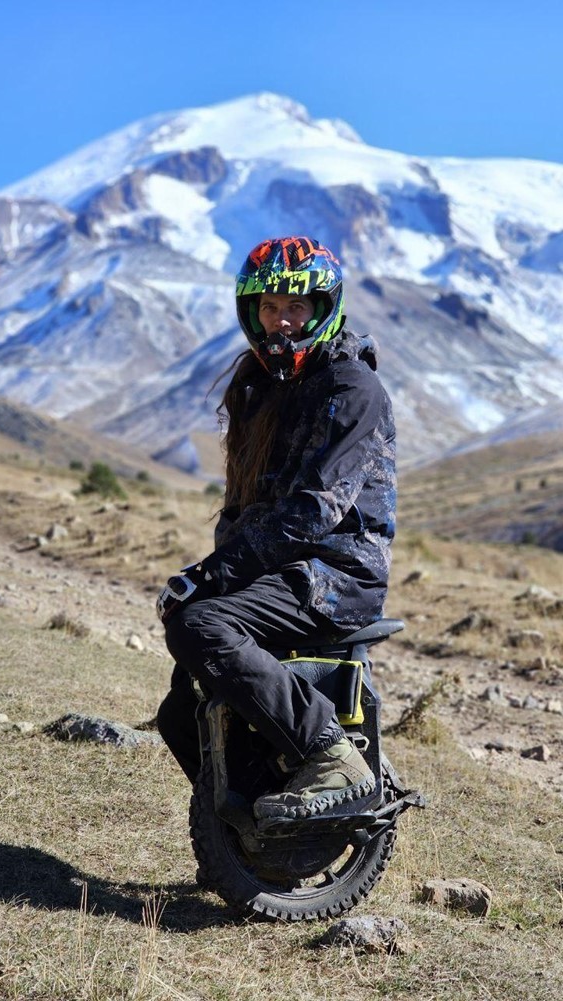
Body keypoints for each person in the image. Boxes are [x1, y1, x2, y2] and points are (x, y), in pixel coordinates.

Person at [156, 235, 396, 820]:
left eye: (295, 308)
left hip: (333, 573)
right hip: (281, 567)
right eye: (268, 308)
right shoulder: (265, 389)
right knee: (177, 711)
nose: (280, 323)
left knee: (202, 624)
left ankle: (331, 755)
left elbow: (317, 508)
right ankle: (246, 828)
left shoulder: (351, 389)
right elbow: (247, 505)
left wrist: (216, 574)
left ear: (323, 309)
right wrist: (217, 572)